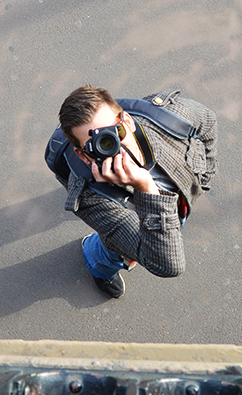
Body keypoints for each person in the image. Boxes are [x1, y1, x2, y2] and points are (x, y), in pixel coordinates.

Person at [58, 85, 218, 299]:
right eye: (98, 145)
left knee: (154, 240)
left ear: (128, 121)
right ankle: (97, 262)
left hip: (174, 209)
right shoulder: (92, 198)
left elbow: (208, 121)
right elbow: (167, 265)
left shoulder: (172, 118)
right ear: (84, 156)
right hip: (129, 227)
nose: (114, 146)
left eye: (116, 133)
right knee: (114, 254)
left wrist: (205, 176)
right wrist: (145, 187)